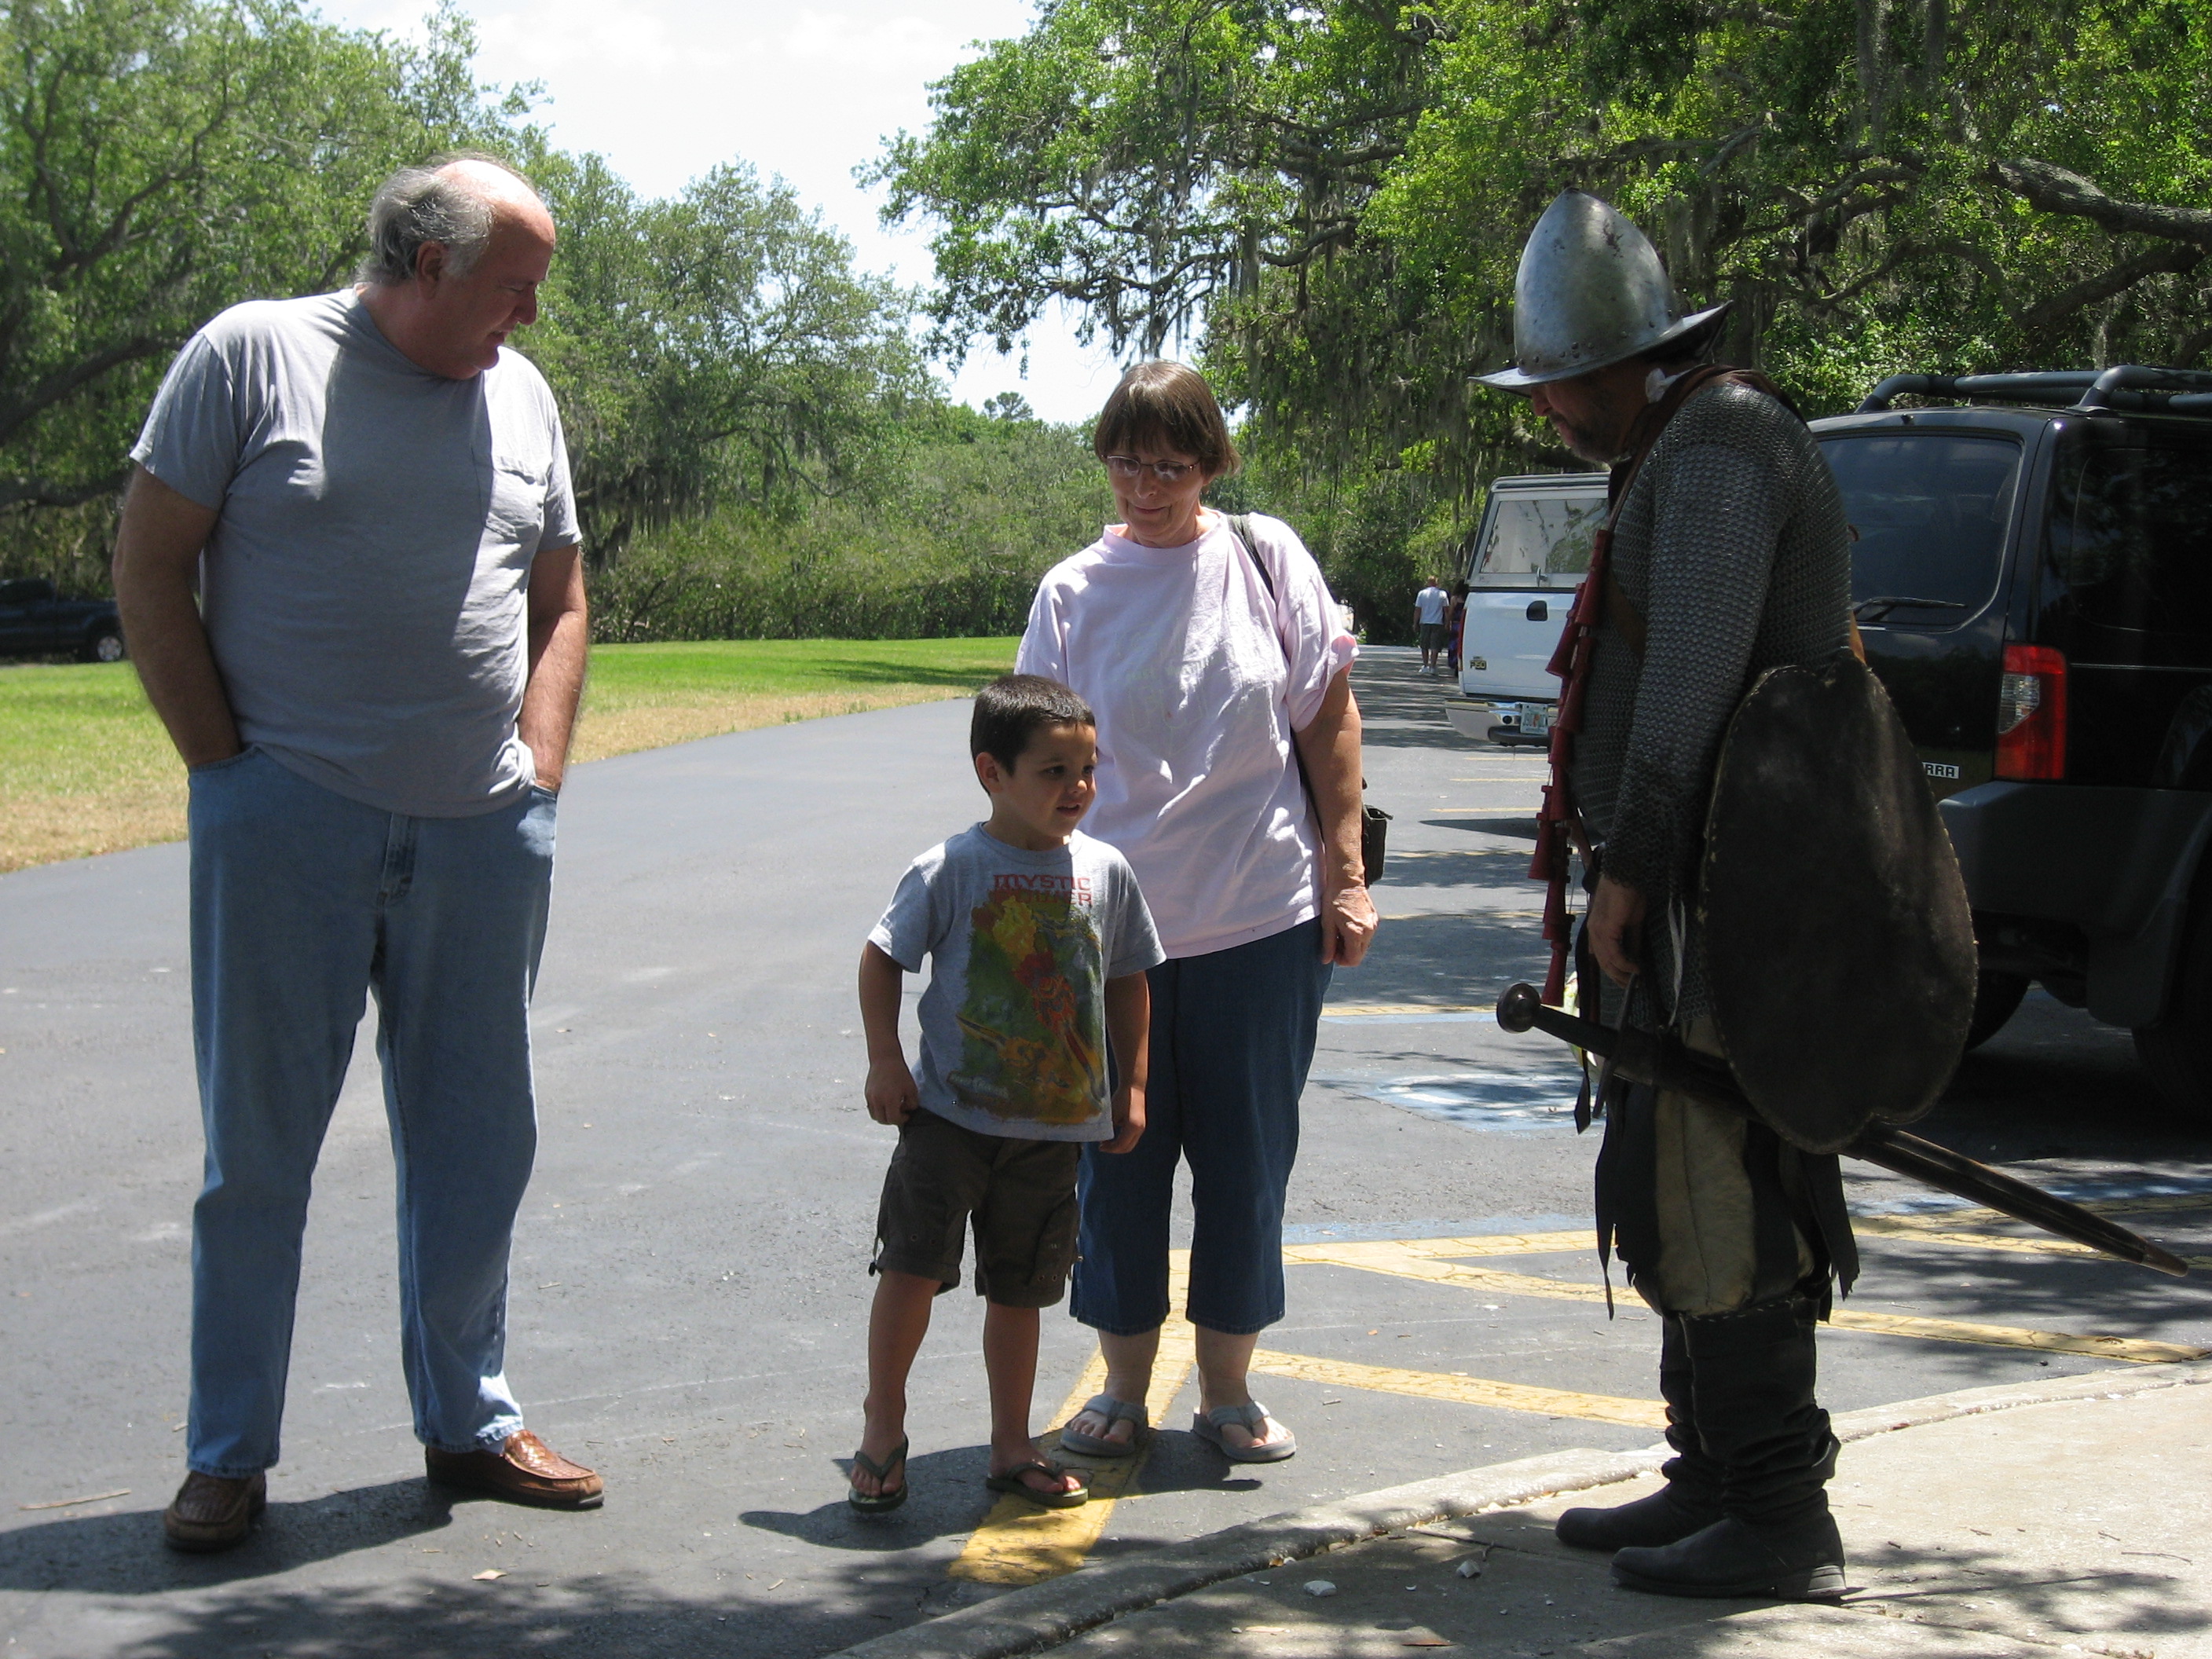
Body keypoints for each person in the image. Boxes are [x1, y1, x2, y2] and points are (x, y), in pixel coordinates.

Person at [113, 154, 600, 1552]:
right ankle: (228, 1452)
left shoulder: (520, 397)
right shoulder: (253, 354)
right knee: (257, 1153)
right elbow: (150, 565)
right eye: (516, 285)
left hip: (482, 830)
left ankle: (473, 1416)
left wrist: (539, 768)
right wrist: (227, 768)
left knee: (477, 1142)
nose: (530, 314)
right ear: (429, 261)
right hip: (291, 823)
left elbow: (561, 594)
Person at [1475, 189, 1855, 1600]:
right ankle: (1709, 1470)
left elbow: (1690, 686)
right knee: (1663, 1174)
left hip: (1725, 899)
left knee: (1722, 1190)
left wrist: (1629, 870)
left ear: (1614, 365)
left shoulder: (1723, 445)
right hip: (1687, 897)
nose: (1552, 413)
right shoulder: (1673, 448)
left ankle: (1775, 1511)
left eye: (1558, 385)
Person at [1016, 361, 1377, 1466]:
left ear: (1213, 463)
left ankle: (1228, 1389)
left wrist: (1346, 869)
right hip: (1109, 933)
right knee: (1116, 1159)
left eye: (1169, 465)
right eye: (1125, 462)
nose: (1144, 486)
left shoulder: (1266, 562)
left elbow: (1327, 722)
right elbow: (1031, 765)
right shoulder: (1072, 592)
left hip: (1259, 921)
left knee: (1247, 1160)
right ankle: (1123, 1389)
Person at [848, 676, 1163, 1514]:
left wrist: (1131, 1085)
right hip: (946, 1119)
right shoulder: (951, 867)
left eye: (1087, 770)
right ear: (992, 773)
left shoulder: (1106, 871)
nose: (1077, 790)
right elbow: (881, 958)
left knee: (1022, 1291)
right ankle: (883, 1426)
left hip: (1053, 1132)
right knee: (911, 1269)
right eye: (1052, 773)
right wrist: (887, 1061)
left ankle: (1012, 1444)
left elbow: (1130, 976)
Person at [1414, 576, 1450, 674]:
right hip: (1438, 623)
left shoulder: (1422, 594)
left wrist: (1415, 623)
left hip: (1425, 622)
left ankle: (1425, 665)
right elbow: (1446, 610)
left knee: (1424, 645)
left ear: (1428, 582)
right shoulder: (1442, 594)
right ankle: (1433, 667)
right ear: (1437, 583)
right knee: (1435, 646)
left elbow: (1418, 609)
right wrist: (1448, 622)